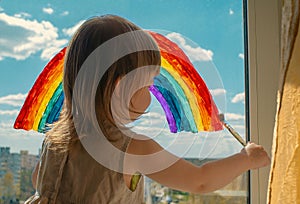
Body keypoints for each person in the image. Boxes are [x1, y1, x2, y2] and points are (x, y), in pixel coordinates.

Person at [27, 15, 270, 204]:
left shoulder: (54, 140)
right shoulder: (132, 148)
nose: (151, 94)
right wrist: (246, 158)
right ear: (121, 86)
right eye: (148, 85)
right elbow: (200, 181)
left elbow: (39, 180)